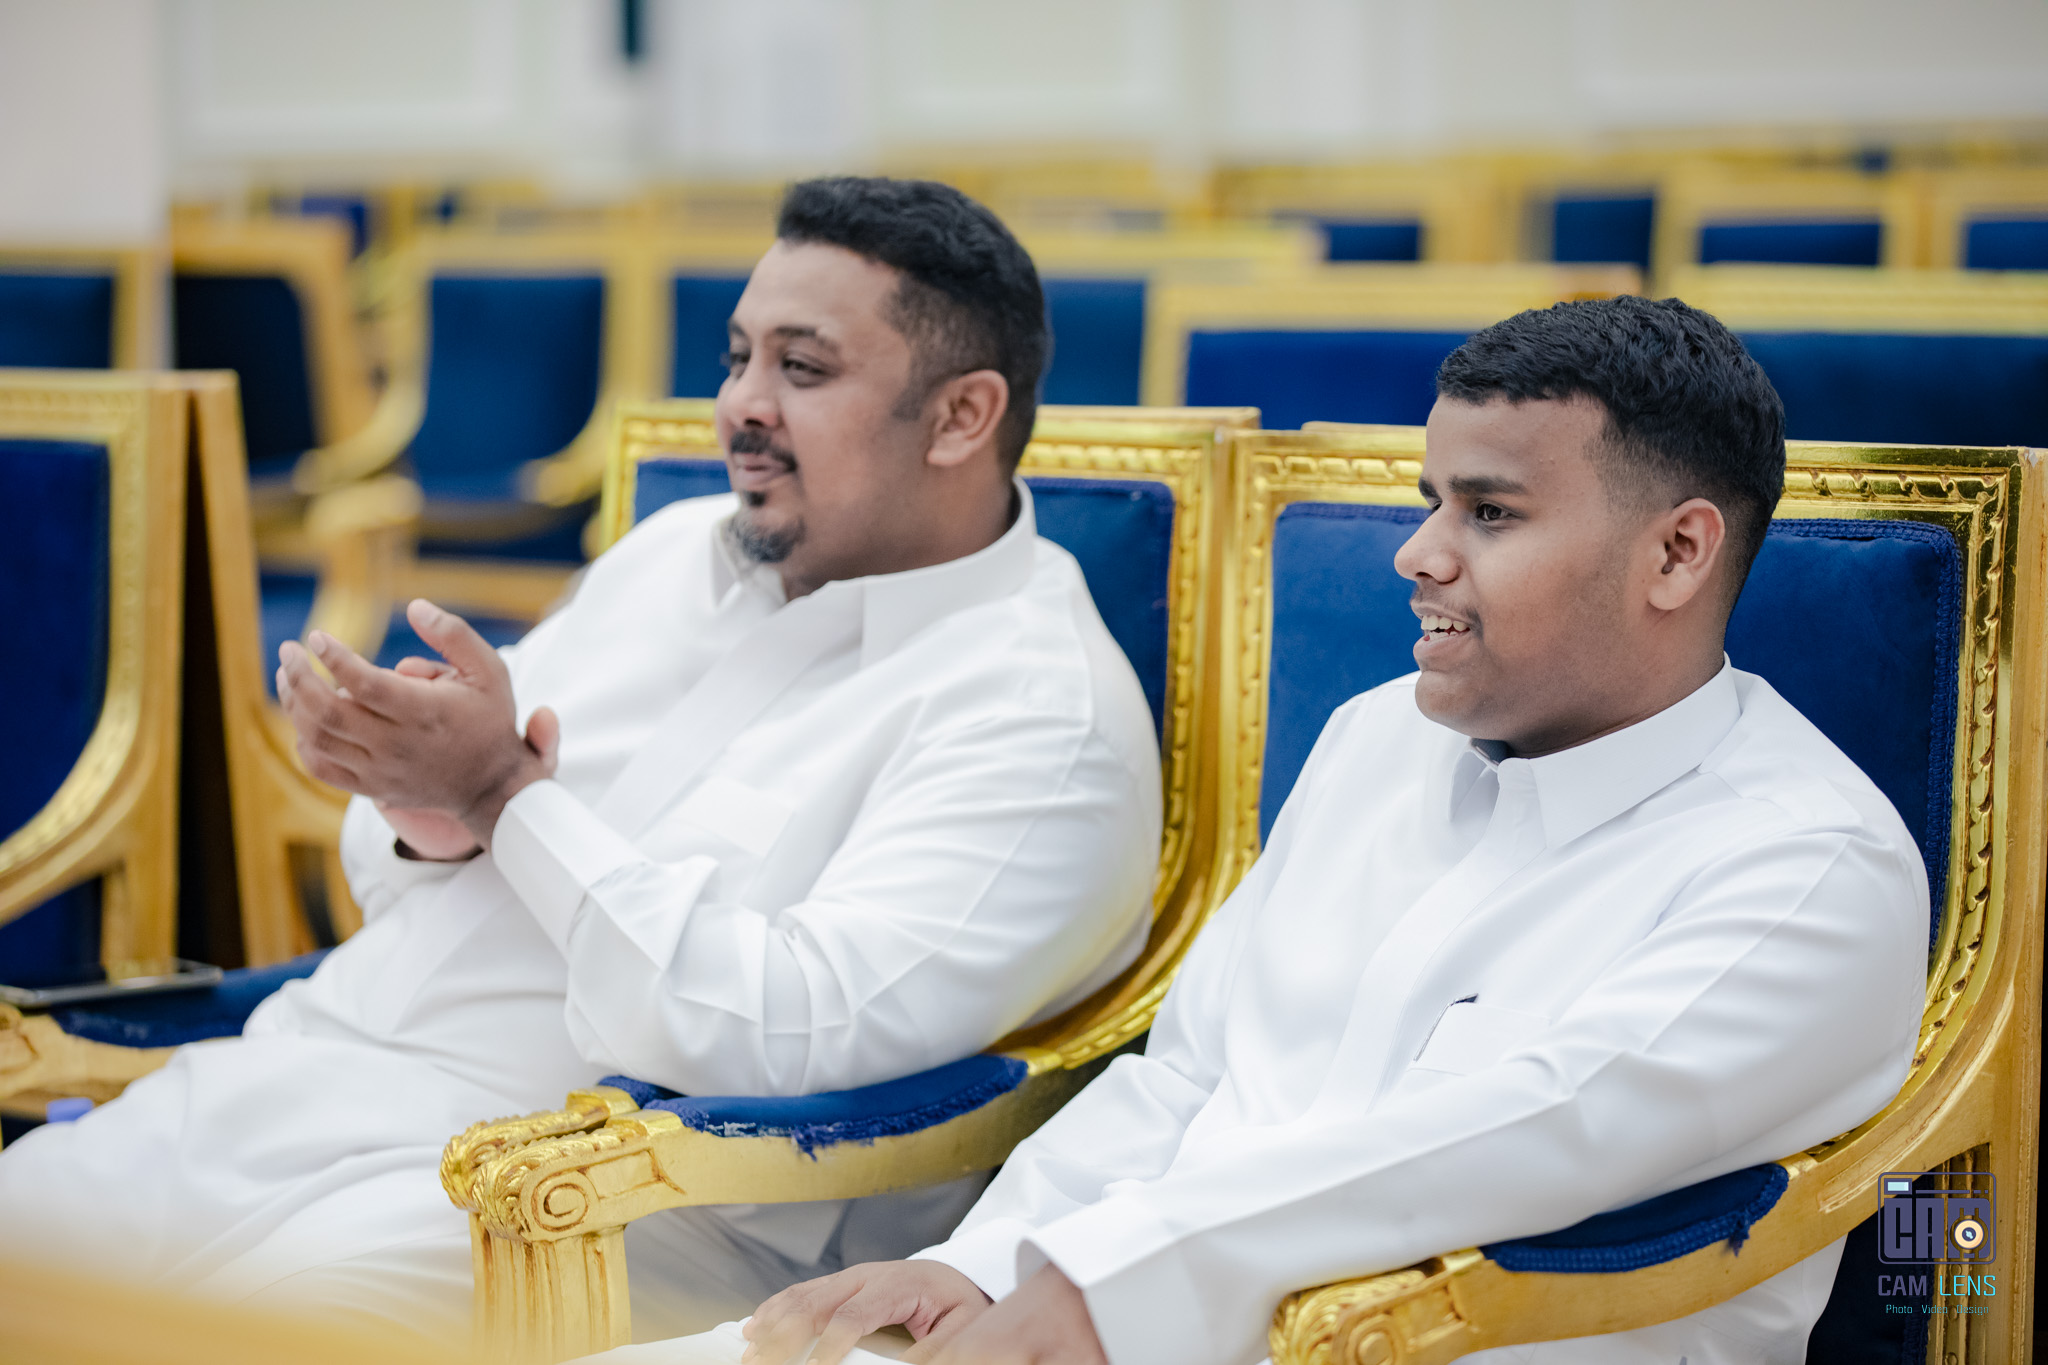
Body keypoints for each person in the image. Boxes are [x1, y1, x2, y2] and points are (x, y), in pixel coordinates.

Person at [623, 296, 1928, 1365]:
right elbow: (1187, 1079)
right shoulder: (1378, 737)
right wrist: (979, 1266)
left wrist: (1100, 1285)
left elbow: (1520, 1134)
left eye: (1488, 513)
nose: (1417, 554)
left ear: (1677, 553)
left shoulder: (1805, 868)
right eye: (1429, 501)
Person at [0, 178, 1162, 1343]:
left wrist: (503, 798)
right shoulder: (672, 553)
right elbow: (406, 879)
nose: (740, 407)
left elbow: (782, 1036)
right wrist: (427, 814)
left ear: (959, 417)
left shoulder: (1036, 714)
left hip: (598, 1204)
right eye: (736, 358)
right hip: (299, 1077)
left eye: (801, 369)